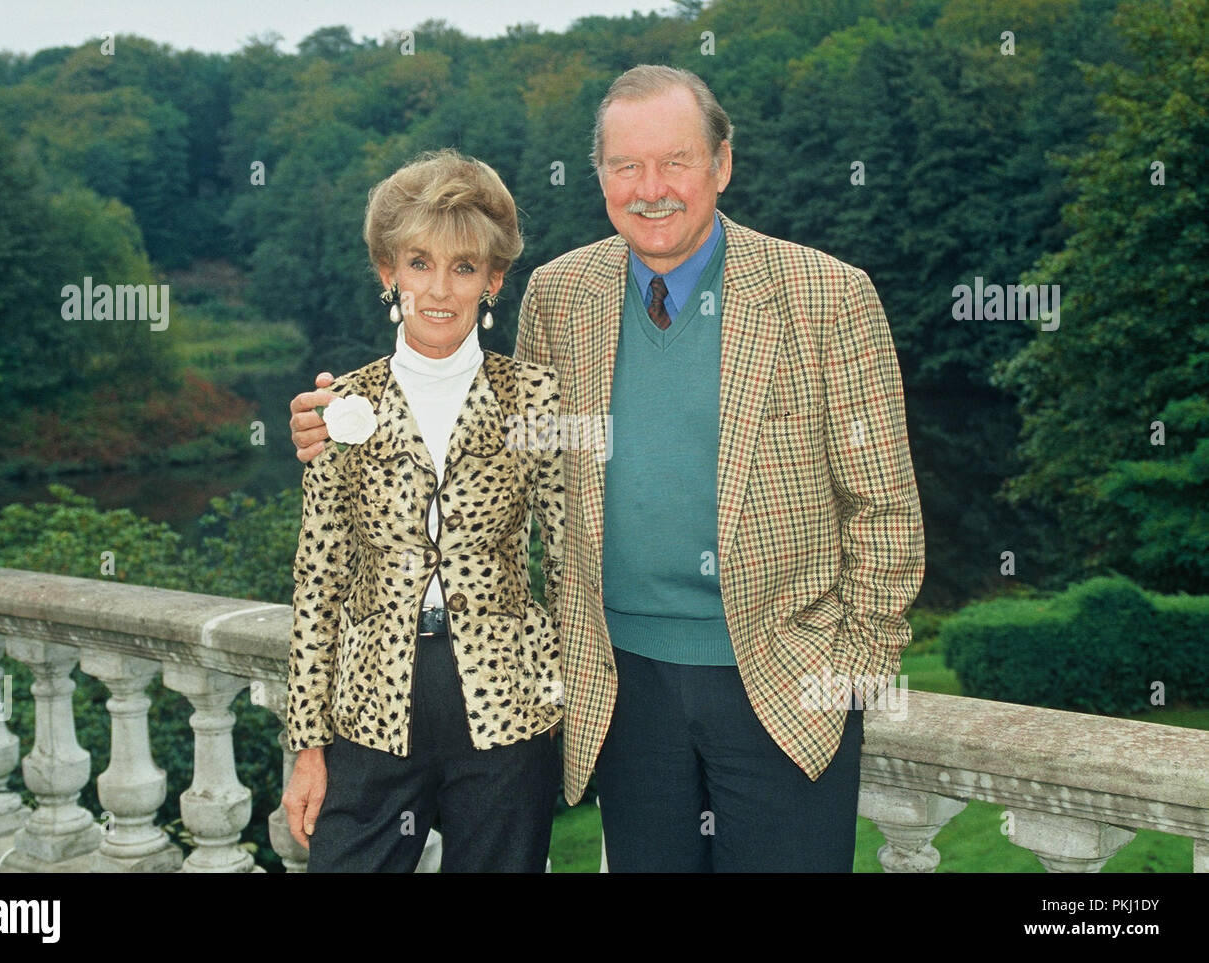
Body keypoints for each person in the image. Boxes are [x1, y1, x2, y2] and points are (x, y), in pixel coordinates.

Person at [290, 65, 925, 872]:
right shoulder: (562, 295)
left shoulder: (828, 296)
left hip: (781, 683)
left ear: (722, 165)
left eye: (676, 162)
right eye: (626, 166)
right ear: (601, 177)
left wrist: (850, 673)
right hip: (625, 691)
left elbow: (888, 511)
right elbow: (492, 450)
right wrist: (332, 423)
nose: (650, 188)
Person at [281, 148, 565, 873]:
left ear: (494, 279)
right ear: (388, 272)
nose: (439, 289)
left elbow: (571, 565)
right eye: (418, 263)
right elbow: (318, 584)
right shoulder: (341, 407)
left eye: (464, 267)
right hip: (374, 707)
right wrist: (307, 746)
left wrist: (569, 700)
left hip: (506, 709)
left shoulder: (536, 398)